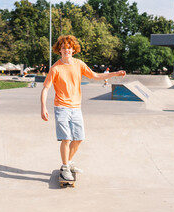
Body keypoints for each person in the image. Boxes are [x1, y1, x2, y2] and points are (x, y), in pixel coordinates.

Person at [40, 35, 126, 180]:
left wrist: (115, 74)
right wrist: (43, 107)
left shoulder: (79, 64)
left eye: (69, 48)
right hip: (61, 107)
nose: (66, 50)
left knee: (79, 138)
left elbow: (96, 76)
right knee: (66, 138)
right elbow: (45, 89)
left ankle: (68, 162)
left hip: (76, 107)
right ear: (59, 50)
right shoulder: (55, 68)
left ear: (73, 50)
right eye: (63, 48)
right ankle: (65, 166)